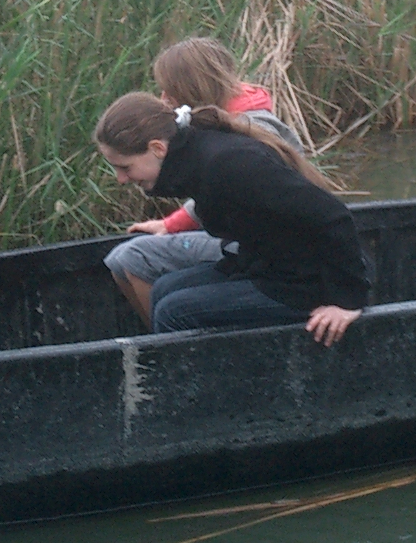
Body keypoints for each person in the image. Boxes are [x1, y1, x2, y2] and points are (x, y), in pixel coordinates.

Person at [93, 93, 366, 345]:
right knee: (164, 289)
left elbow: (333, 216)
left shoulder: (229, 165)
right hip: (265, 266)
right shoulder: (194, 159)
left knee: (173, 312)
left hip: (308, 283)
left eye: (125, 167)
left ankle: (193, 394)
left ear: (157, 148)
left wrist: (347, 302)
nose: (121, 179)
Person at [103, 37, 301, 327]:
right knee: (124, 261)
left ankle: (167, 348)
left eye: (168, 90)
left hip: (260, 253)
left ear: (189, 90)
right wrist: (170, 225)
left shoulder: (250, 134)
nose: (163, 98)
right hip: (241, 244)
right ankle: (161, 347)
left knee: (134, 261)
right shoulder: (217, 129)